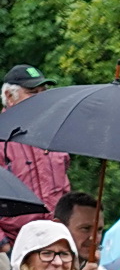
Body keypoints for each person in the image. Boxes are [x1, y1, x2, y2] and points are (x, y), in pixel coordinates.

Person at [0, 66, 70, 244]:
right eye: (33, 92)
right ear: (9, 97)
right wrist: (2, 243)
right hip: (12, 244)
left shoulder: (55, 137)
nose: (41, 98)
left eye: (43, 92)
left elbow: (64, 191)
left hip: (54, 240)